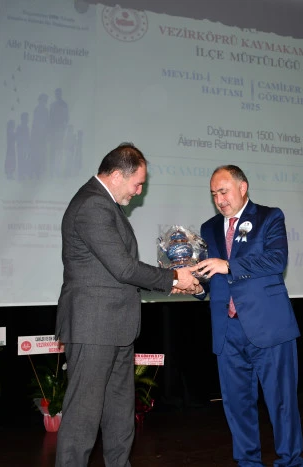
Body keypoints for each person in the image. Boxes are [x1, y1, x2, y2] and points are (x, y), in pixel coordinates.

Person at [54, 142, 200, 467]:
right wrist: (174, 278)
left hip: (115, 328)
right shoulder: (92, 205)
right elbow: (123, 268)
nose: (139, 191)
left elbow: (121, 272)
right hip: (93, 328)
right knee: (82, 419)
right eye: (137, 184)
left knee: (120, 414)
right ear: (118, 175)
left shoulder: (106, 205)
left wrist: (173, 281)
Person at [193, 165, 303, 467]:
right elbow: (210, 277)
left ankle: (290, 462)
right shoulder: (208, 228)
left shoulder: (270, 217)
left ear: (242, 188)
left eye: (224, 191)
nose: (219, 199)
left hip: (269, 327)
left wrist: (229, 265)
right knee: (237, 405)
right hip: (227, 330)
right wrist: (194, 286)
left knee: (282, 403)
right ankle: (248, 463)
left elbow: (276, 260)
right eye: (214, 194)